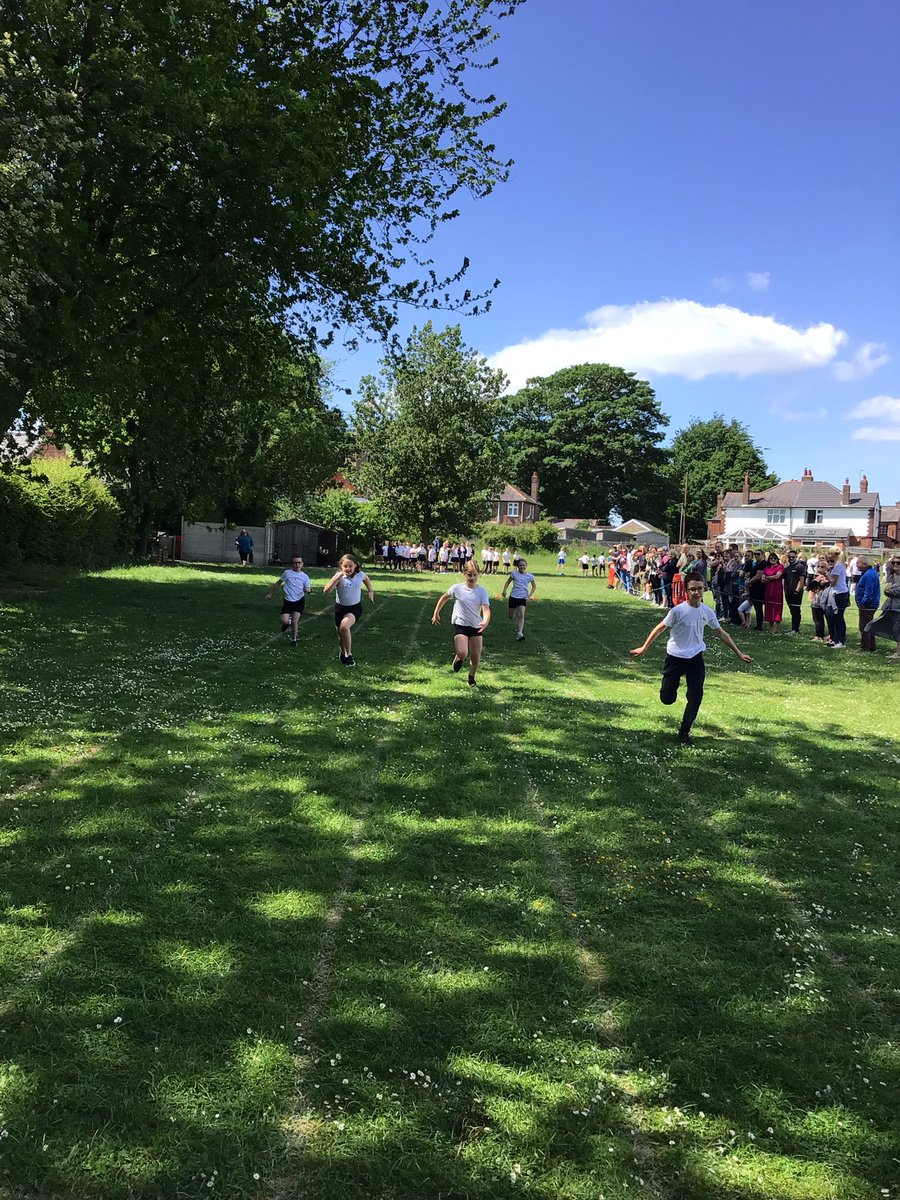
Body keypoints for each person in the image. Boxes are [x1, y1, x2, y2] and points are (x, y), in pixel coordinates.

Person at [629, 576, 752, 745]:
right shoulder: (677, 611)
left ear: (704, 589)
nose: (696, 592)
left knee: (696, 696)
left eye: (700, 588)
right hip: (675, 658)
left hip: (695, 658)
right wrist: (643, 648)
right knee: (667, 698)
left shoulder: (707, 612)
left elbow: (721, 633)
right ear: (686, 590)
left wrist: (739, 653)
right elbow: (659, 629)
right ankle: (672, 686)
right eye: (693, 589)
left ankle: (684, 731)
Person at [431, 561, 491, 686]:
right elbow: (444, 597)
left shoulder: (482, 592)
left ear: (478, 575)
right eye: (469, 575)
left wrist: (485, 620)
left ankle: (471, 678)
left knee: (475, 657)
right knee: (463, 652)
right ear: (464, 574)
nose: (472, 578)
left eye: (475, 575)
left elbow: (486, 608)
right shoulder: (457, 588)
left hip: (476, 626)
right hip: (460, 624)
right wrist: (436, 612)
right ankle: (459, 658)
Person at [323, 553, 375, 667]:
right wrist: (335, 579)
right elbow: (326, 591)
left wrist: (370, 591)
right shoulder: (338, 576)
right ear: (341, 566)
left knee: (344, 627)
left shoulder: (360, 575)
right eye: (345, 566)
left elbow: (366, 579)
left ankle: (349, 655)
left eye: (350, 566)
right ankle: (343, 652)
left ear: (355, 565)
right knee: (340, 636)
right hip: (339, 608)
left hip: (354, 608)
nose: (348, 569)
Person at [266, 555, 311, 646]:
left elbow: (308, 589)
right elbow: (278, 583)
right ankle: (287, 623)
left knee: (295, 621)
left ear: (302, 564)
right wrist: (270, 594)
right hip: (288, 600)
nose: (297, 565)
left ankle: (293, 640)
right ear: (292, 564)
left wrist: (307, 590)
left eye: (299, 562)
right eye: (295, 563)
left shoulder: (305, 576)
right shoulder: (287, 573)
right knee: (284, 621)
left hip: (299, 601)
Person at [866, 556, 900, 658]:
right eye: (893, 563)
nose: (895, 565)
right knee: (893, 628)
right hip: (890, 607)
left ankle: (898, 653)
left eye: (898, 563)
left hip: (898, 608)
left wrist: (892, 591)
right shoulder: (891, 576)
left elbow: (894, 591)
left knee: (898, 629)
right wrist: (888, 591)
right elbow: (886, 589)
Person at [501, 557, 537, 640]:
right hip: (513, 597)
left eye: (523, 565)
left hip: (522, 598)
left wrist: (529, 595)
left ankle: (520, 633)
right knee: (510, 616)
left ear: (526, 566)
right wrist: (504, 591)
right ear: (518, 566)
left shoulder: (530, 576)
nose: (522, 567)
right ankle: (512, 616)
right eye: (520, 565)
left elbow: (534, 586)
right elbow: (507, 582)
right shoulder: (514, 574)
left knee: (521, 615)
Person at [854, 555, 880, 653]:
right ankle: (870, 645)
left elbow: (868, 592)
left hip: (868, 605)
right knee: (868, 625)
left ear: (865, 564)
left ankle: (866, 647)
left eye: (858, 563)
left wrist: (863, 603)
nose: (857, 565)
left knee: (864, 626)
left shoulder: (869, 575)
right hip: (868, 604)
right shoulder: (869, 573)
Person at [827, 552, 850, 649]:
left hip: (839, 594)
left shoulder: (838, 566)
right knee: (835, 617)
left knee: (838, 617)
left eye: (831, 555)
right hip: (839, 592)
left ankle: (841, 641)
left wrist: (826, 574)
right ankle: (836, 639)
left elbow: (833, 581)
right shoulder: (840, 566)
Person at [782, 550, 806, 635]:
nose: (791, 558)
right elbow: (784, 580)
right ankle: (794, 628)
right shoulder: (787, 568)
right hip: (788, 593)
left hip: (796, 593)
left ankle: (795, 629)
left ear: (796, 557)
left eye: (793, 557)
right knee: (792, 611)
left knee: (796, 611)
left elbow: (801, 580)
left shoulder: (800, 567)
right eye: (789, 557)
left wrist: (797, 590)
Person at [762, 552, 785, 632]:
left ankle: (776, 627)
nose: (773, 560)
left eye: (774, 558)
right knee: (769, 606)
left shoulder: (780, 566)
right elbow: (762, 580)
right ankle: (770, 626)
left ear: (777, 559)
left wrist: (767, 577)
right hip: (768, 590)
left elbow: (777, 576)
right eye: (771, 558)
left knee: (777, 607)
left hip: (777, 589)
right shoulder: (766, 568)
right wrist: (771, 578)